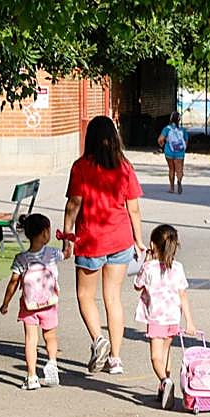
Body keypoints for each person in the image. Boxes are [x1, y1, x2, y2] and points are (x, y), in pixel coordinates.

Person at [63, 115, 145, 375]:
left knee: (85, 295)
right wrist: (139, 241)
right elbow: (134, 209)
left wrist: (67, 236)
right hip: (120, 239)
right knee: (113, 298)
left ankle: (99, 340)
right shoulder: (125, 167)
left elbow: (74, 204)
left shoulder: (80, 167)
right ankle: (116, 359)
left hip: (91, 240)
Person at [133, 224, 196, 409]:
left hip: (156, 319)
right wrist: (189, 322)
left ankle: (164, 381)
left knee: (155, 357)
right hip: (173, 318)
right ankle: (164, 388)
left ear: (153, 245)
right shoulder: (178, 267)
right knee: (166, 353)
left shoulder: (148, 267)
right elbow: (183, 295)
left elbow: (137, 285)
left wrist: (146, 259)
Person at [0, 213, 63, 390]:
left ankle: (32, 376)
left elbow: (13, 282)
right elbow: (67, 253)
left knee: (30, 339)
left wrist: (5, 303)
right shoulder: (52, 254)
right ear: (45, 233)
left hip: (29, 306)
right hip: (50, 303)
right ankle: (52, 362)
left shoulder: (21, 259)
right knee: (50, 336)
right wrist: (67, 240)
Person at [157, 111, 189, 194]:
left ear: (171, 119)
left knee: (171, 169)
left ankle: (171, 188)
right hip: (180, 152)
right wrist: (183, 149)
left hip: (169, 152)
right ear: (179, 120)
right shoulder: (183, 130)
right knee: (179, 169)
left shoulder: (167, 129)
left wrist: (162, 144)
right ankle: (179, 180)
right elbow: (186, 141)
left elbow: (160, 139)